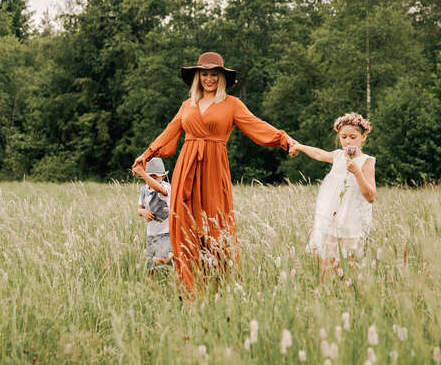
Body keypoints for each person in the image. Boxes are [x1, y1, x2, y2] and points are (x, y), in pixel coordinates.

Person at [132, 52, 297, 292]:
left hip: (213, 167)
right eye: (205, 74)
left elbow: (255, 124)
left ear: (221, 78)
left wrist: (285, 140)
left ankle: (220, 286)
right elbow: (169, 133)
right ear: (197, 77)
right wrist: (146, 155)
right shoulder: (187, 106)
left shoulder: (231, 104)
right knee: (184, 223)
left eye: (214, 74)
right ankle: (190, 288)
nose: (209, 79)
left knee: (215, 224)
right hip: (186, 168)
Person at [289, 112, 376, 280]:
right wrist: (299, 146)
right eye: (343, 137)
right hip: (332, 220)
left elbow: (370, 196)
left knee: (349, 269)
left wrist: (357, 173)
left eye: (353, 137)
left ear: (363, 137)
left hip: (352, 222)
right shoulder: (338, 156)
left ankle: (348, 299)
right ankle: (327, 297)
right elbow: (319, 154)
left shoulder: (366, 161)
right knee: (326, 267)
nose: (348, 141)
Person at [133, 157, 173, 274]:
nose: (152, 180)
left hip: (165, 233)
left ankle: (165, 285)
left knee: (162, 263)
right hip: (151, 234)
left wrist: (143, 174)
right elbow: (139, 209)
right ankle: (152, 288)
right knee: (151, 267)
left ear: (163, 177)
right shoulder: (144, 190)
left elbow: (159, 188)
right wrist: (143, 212)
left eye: (155, 177)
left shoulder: (166, 187)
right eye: (150, 176)